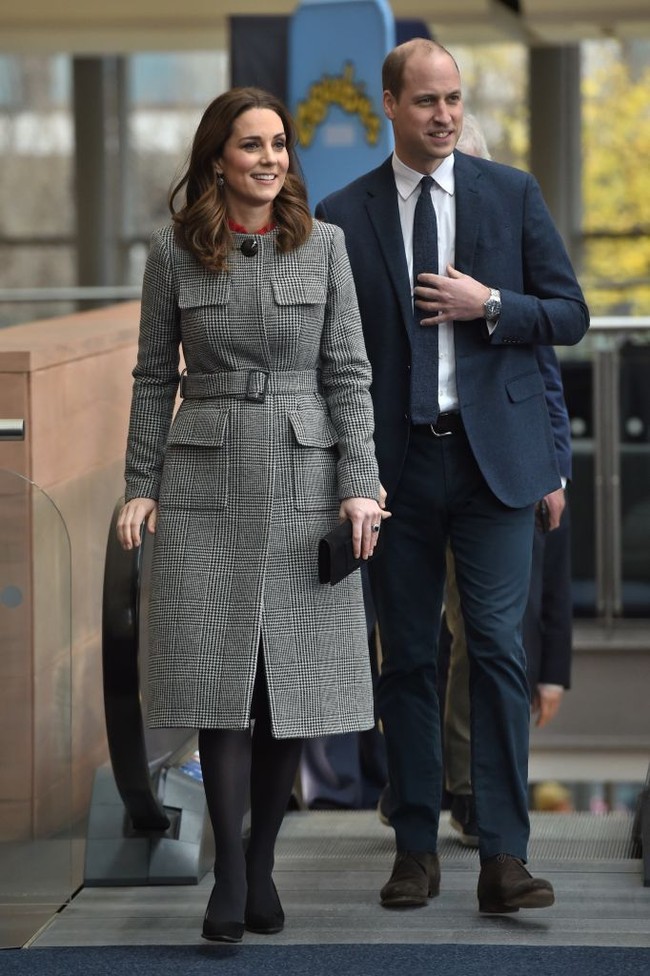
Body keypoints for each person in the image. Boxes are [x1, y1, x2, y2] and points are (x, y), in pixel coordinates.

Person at [316, 39, 589, 914]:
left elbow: (571, 315)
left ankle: (505, 856)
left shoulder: (509, 195)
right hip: (395, 469)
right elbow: (333, 357)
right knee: (407, 661)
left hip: (493, 465)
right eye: (427, 100)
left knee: (501, 655)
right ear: (389, 105)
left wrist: (494, 307)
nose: (444, 114)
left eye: (455, 99)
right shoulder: (341, 214)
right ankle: (415, 847)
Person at [116, 86, 387, 944]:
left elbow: (349, 374)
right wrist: (139, 481)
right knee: (220, 681)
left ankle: (262, 857)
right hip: (205, 477)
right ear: (217, 160)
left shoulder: (327, 247)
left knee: (286, 692)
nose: (270, 159)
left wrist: (361, 484)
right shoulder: (174, 252)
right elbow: (155, 375)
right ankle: (229, 874)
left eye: (279, 145)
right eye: (251, 146)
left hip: (306, 480)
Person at [440, 115, 575, 847]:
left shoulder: (509, 244)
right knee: (410, 642)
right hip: (409, 470)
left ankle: (473, 793)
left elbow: (545, 363)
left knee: (483, 634)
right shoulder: (388, 233)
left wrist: (550, 465)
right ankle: (414, 788)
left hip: (502, 470)